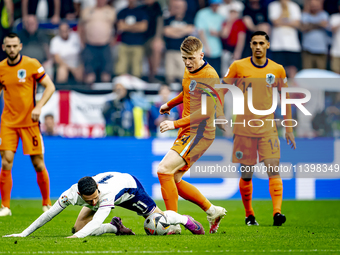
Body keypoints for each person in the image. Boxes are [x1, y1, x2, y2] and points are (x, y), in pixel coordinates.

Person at [217, 31, 296, 226]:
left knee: (273, 168)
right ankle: (249, 215)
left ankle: (277, 213)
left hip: (268, 127)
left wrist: (289, 127)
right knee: (247, 173)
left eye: (262, 43)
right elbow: (221, 89)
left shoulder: (277, 70)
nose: (258, 46)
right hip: (243, 128)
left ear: (268, 45)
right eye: (255, 43)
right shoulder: (238, 66)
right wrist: (219, 114)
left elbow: (286, 98)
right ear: (251, 46)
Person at [157, 36, 226, 234]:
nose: (187, 62)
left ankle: (172, 223)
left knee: (163, 171)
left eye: (191, 58)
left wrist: (174, 123)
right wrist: (169, 104)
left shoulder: (210, 76)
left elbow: (205, 112)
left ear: (201, 55)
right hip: (188, 131)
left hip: (200, 132)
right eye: (184, 58)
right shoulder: (189, 70)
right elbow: (187, 92)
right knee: (174, 178)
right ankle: (212, 211)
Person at [3, 172, 205, 238]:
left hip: (130, 191)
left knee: (156, 222)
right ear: (80, 194)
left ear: (97, 188)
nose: (93, 201)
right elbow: (48, 215)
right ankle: (115, 227)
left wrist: (72, 240)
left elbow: (96, 219)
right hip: (113, 188)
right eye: (88, 199)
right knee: (79, 227)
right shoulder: (71, 194)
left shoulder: (104, 194)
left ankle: (185, 220)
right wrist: (23, 233)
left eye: (94, 197)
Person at [0, 33, 56, 216]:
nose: (12, 49)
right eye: (8, 46)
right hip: (8, 123)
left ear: (20, 46)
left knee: (38, 164)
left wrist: (39, 106)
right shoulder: (0, 68)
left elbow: (50, 86)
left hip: (29, 123)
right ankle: (5, 207)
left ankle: (46, 203)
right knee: (6, 161)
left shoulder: (31, 64)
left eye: (15, 46)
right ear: (3, 48)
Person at [79, 0, 116, 84]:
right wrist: (82, 41)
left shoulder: (111, 11)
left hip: (105, 46)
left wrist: (113, 41)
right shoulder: (87, 11)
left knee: (106, 75)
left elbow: (116, 27)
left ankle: (105, 95)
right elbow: (80, 27)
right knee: (89, 76)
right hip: (90, 46)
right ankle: (88, 95)